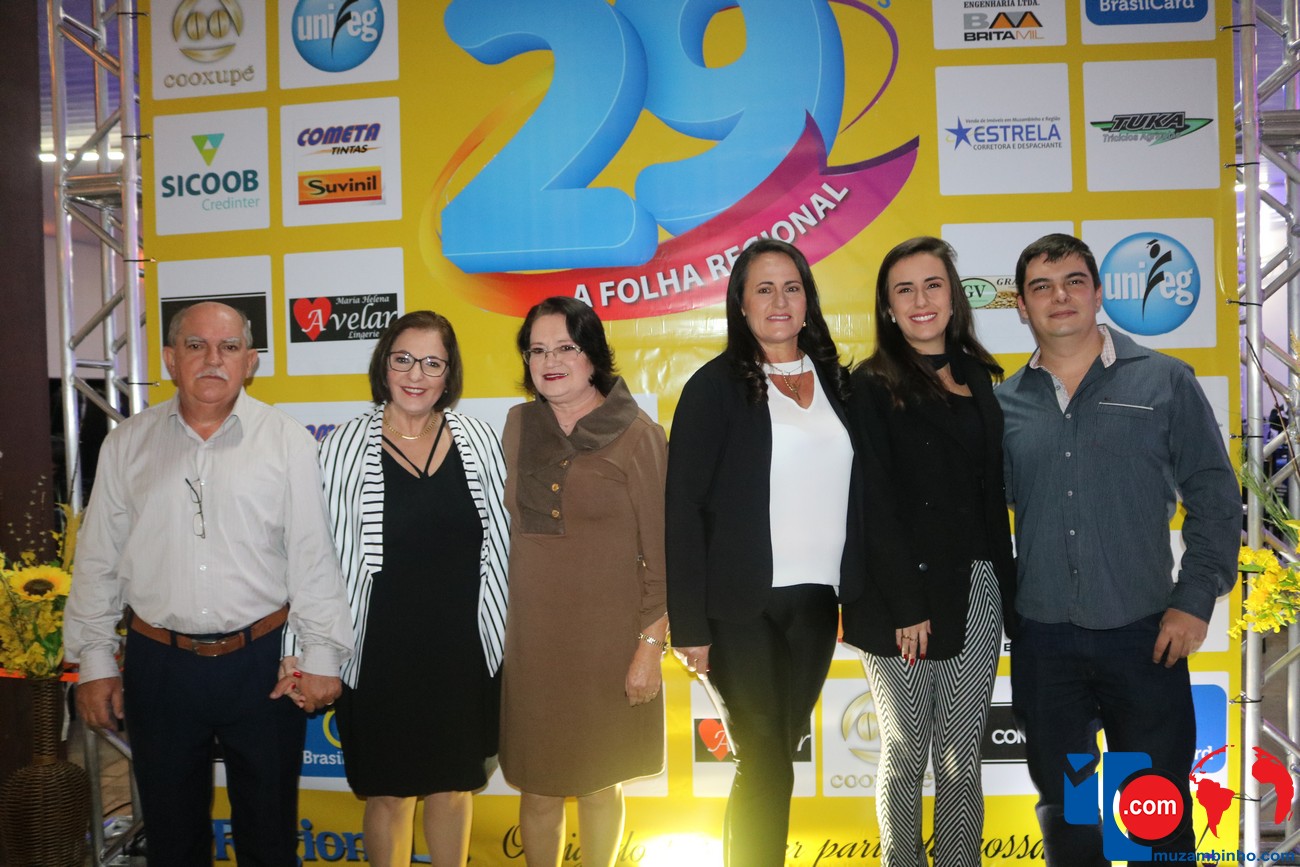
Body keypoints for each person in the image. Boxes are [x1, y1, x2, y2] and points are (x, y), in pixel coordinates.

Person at [65, 301, 354, 866]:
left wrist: (321, 653)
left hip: (264, 666)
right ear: (171, 360)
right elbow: (98, 561)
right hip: (158, 666)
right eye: (196, 346)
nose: (213, 359)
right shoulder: (126, 444)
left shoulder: (288, 441)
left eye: (229, 347)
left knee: (269, 838)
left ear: (250, 361)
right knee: (172, 841)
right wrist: (94, 661)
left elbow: (312, 556)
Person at [997, 233, 1240, 865]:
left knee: (1155, 811)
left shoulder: (1164, 381)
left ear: (1099, 293)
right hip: (1046, 646)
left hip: (1144, 637)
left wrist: (1195, 599)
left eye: (1074, 281)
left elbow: (1215, 496)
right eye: (1041, 287)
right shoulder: (1003, 404)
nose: (1060, 297)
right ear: (1021, 305)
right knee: (1071, 814)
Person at [666, 238, 863, 867]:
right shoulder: (713, 387)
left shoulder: (840, 383)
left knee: (771, 755)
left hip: (817, 606)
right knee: (768, 759)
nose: (780, 300)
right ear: (741, 303)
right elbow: (682, 510)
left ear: (808, 301)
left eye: (792, 287)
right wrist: (689, 626)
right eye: (764, 288)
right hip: (738, 608)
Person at [306, 311, 509, 867]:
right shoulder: (342, 447)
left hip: (462, 650)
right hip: (379, 654)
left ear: (449, 373)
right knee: (389, 794)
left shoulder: (480, 441)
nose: (416, 374)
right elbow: (316, 557)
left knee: (454, 787)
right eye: (403, 359)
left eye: (432, 363)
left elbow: (506, 548)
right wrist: (306, 651)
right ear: (384, 365)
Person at [840, 237, 1016, 867]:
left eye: (932, 284)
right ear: (888, 307)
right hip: (900, 593)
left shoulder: (979, 376)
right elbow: (873, 501)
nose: (921, 300)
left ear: (953, 296)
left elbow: (989, 495)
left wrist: (1009, 593)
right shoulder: (869, 385)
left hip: (977, 586)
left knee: (962, 755)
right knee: (907, 749)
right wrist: (906, 603)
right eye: (904, 289)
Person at [499, 296, 668, 867]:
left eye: (565, 348)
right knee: (537, 786)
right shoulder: (518, 425)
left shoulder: (639, 434)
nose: (550, 361)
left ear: (592, 355)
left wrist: (649, 648)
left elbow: (662, 556)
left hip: (609, 646)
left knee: (601, 783)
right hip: (534, 644)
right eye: (537, 350)